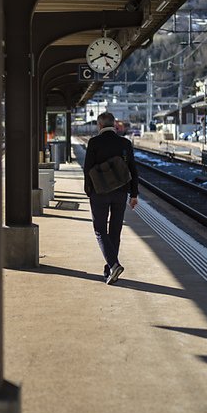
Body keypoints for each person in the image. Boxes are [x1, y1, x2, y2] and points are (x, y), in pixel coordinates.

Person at [84, 112, 139, 284]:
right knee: (115, 230)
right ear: (114, 125)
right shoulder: (125, 143)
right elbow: (133, 170)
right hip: (120, 192)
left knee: (100, 230)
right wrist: (134, 194)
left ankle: (113, 265)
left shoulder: (94, 143)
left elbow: (87, 169)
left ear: (99, 125)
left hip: (99, 193)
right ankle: (110, 270)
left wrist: (89, 191)